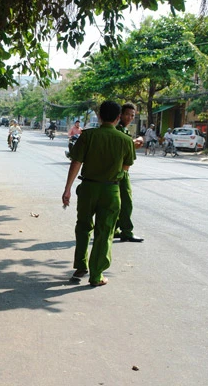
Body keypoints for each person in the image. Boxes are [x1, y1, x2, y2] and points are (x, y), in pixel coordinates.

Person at [62, 100, 135, 287]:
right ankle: (96, 275)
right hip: (111, 190)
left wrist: (68, 188)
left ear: (99, 116)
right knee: (105, 231)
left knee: (83, 226)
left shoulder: (88, 136)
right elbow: (125, 167)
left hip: (88, 188)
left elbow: (75, 163)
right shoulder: (126, 140)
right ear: (119, 118)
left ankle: (80, 265)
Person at [113, 103, 143, 242]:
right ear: (120, 115)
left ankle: (115, 229)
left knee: (118, 202)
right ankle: (126, 231)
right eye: (127, 114)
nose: (130, 117)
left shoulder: (124, 130)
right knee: (126, 202)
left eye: (132, 115)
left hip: (119, 170)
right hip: (120, 171)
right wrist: (133, 144)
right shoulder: (118, 130)